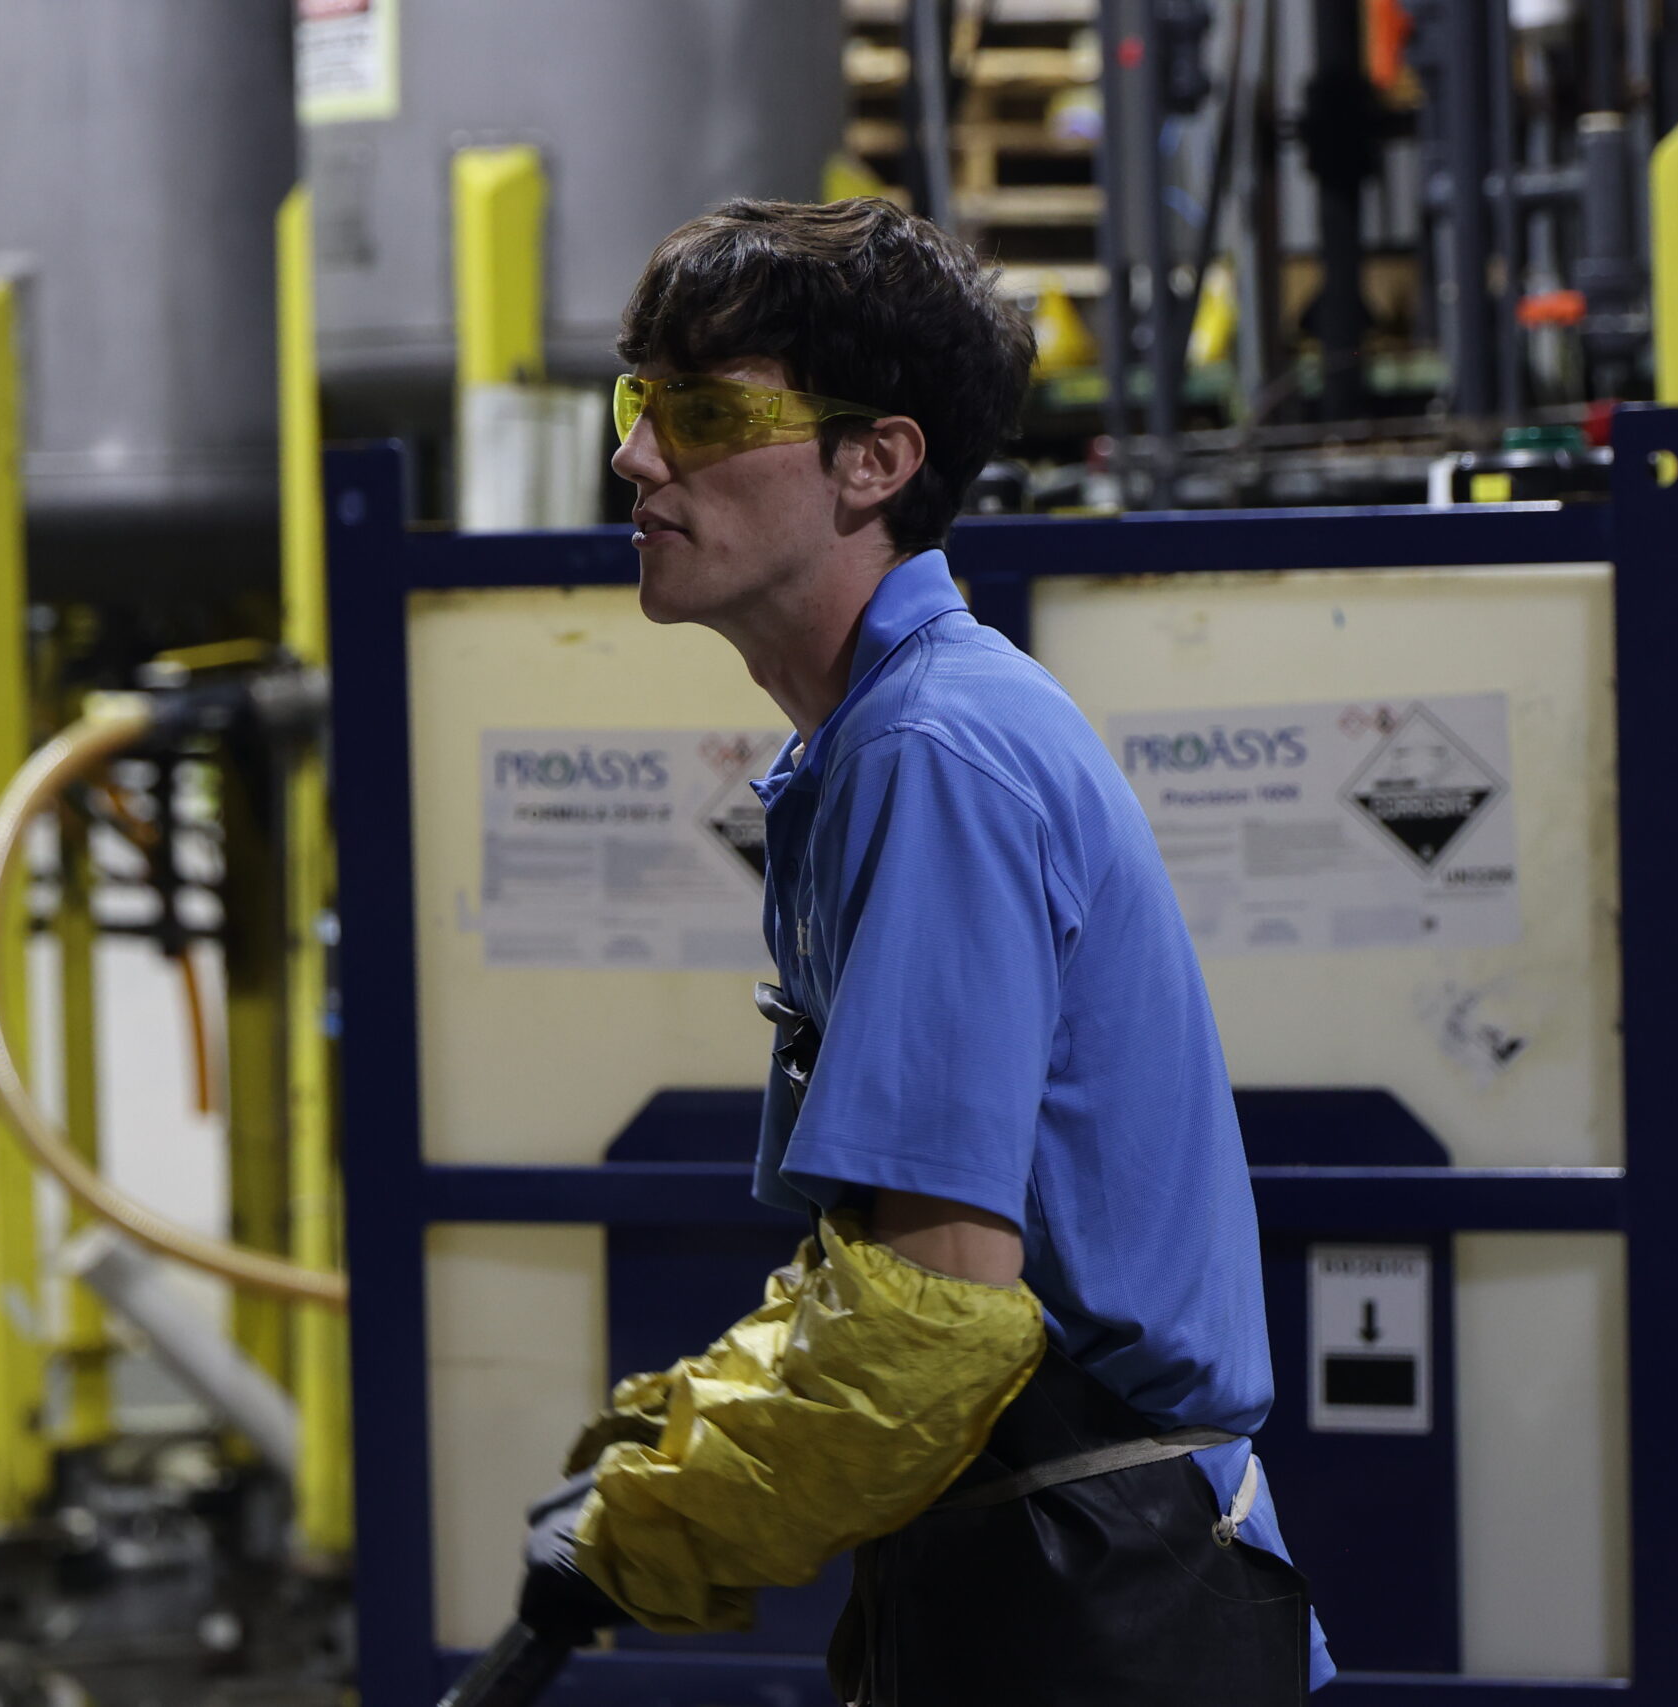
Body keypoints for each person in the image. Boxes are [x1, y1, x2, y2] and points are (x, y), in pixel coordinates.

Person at [512, 198, 1332, 1703]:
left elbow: (937, 1311)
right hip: (1024, 1559)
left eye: (699, 414)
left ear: (874, 463)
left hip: (1100, 1596)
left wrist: (662, 1520)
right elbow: (880, 1257)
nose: (634, 459)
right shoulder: (871, 745)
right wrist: (671, 1441)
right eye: (642, 405)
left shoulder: (938, 754)